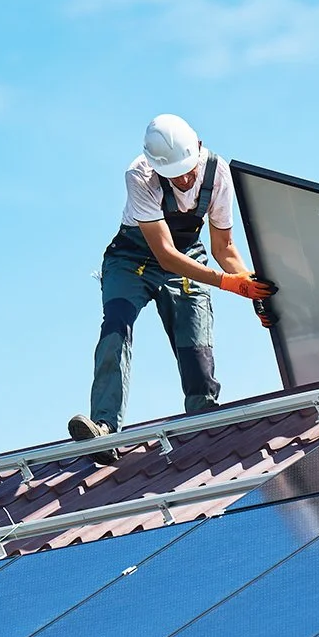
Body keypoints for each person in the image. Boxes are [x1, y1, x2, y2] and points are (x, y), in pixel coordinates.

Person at [69, 115, 275, 452]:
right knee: (116, 326)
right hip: (132, 259)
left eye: (187, 170)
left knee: (195, 341)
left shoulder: (217, 173)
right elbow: (164, 253)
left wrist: (253, 291)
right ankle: (105, 429)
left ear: (198, 147)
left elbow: (223, 247)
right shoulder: (140, 175)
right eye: (173, 174)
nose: (183, 178)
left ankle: (203, 417)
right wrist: (227, 283)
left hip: (188, 256)